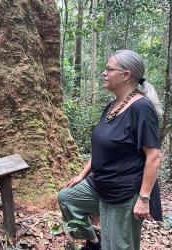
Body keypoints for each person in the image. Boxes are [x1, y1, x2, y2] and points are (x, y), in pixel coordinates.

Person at [58, 50, 162, 250]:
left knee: (118, 246)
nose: (104, 73)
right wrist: (82, 174)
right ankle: (94, 242)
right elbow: (102, 146)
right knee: (67, 199)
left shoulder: (141, 108)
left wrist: (143, 199)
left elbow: (154, 156)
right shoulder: (113, 105)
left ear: (126, 75)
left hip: (123, 190)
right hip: (100, 183)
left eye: (109, 69)